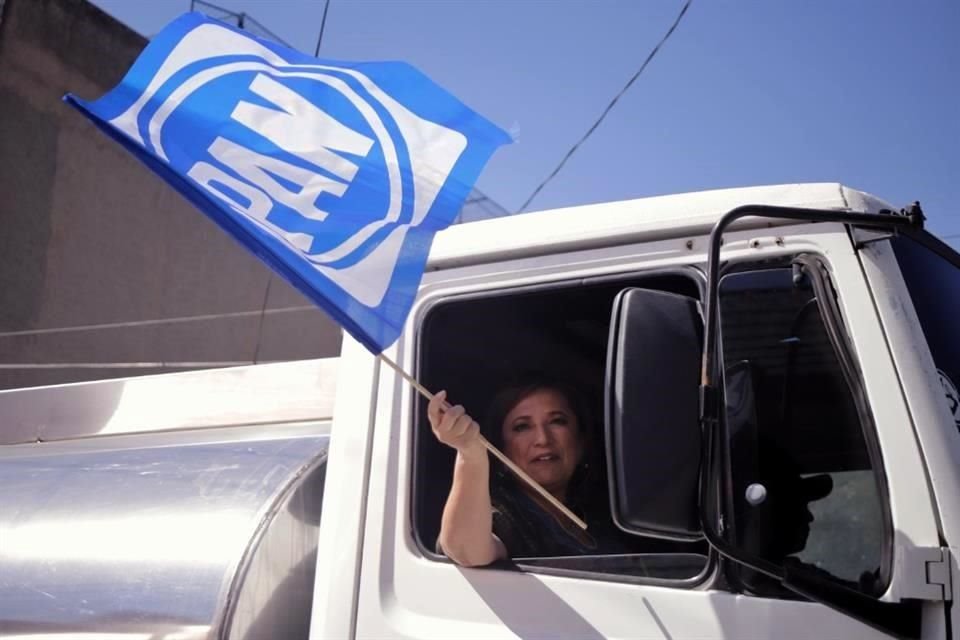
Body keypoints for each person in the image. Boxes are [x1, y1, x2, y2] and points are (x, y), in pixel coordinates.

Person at [428, 374, 632, 567]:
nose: (543, 439)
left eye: (557, 421)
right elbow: (466, 550)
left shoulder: (606, 518)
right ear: (501, 449)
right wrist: (470, 453)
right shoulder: (505, 517)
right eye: (522, 427)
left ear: (581, 441)